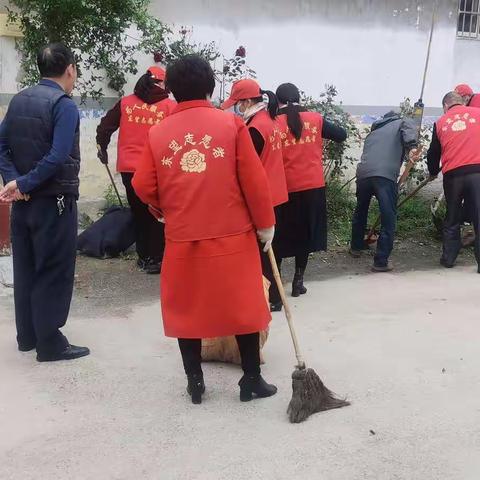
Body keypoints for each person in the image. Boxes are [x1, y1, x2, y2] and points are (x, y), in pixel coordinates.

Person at [132, 55, 277, 405]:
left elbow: (142, 184)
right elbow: (254, 182)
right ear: (211, 87)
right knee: (243, 305)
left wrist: (161, 207)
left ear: (172, 90)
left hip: (183, 236)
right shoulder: (232, 126)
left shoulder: (158, 132)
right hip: (233, 236)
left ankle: (195, 383)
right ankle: (251, 381)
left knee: (187, 309)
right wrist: (265, 224)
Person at [0, 43, 89, 361]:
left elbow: (2, 145)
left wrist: (15, 183)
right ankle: (50, 342)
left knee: (26, 267)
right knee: (54, 269)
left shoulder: (19, 100)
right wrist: (21, 183)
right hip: (55, 202)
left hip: (24, 204)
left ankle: (27, 336)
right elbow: (58, 155)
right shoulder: (63, 105)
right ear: (70, 69)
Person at [96, 67, 176, 274]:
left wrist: (102, 148)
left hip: (129, 169)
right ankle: (157, 257)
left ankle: (144, 257)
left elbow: (105, 127)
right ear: (159, 83)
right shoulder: (169, 106)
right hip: (158, 169)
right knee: (158, 213)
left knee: (139, 212)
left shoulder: (126, 103)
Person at [274, 82, 347, 299]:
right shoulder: (315, 119)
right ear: (299, 98)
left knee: (279, 236)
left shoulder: (274, 123)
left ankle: (276, 287)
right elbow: (341, 134)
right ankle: (298, 281)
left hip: (283, 187)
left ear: (278, 101)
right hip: (312, 187)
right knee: (304, 234)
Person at [221, 79, 288, 311]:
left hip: (263, 197)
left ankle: (269, 298)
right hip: (277, 192)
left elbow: (247, 169)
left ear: (247, 101)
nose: (236, 108)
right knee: (271, 250)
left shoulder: (254, 129)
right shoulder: (271, 120)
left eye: (237, 103)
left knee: (261, 253)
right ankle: (275, 297)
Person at [350, 111, 418, 272]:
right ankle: (381, 261)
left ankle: (356, 246)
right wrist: (412, 148)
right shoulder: (402, 121)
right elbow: (408, 130)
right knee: (388, 217)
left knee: (361, 210)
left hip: (363, 174)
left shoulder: (373, 132)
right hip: (384, 176)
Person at [427, 91, 480, 272]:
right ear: (461, 102)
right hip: (477, 172)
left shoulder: (440, 122)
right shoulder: (478, 114)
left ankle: (448, 259)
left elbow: (433, 153)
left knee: (453, 216)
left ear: (445, 106)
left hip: (453, 175)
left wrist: (433, 171)